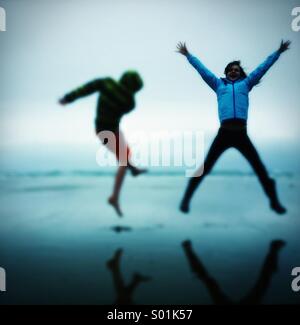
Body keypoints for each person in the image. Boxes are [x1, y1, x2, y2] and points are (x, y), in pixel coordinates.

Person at [176, 40, 291, 214]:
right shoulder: (218, 85)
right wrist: (188, 56)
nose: (233, 71)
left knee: (260, 169)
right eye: (230, 69)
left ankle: (274, 202)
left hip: (241, 134)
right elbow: (203, 71)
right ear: (226, 72)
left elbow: (262, 68)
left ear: (241, 73)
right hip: (224, 133)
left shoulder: (247, 84)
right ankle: (186, 200)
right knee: (204, 168)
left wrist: (278, 52)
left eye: (236, 69)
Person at [59, 71, 147, 217]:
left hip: (102, 129)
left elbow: (86, 89)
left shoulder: (106, 83)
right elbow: (125, 106)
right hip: (110, 131)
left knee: (125, 154)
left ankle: (134, 170)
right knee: (124, 160)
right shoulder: (130, 103)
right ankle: (114, 198)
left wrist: (68, 98)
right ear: (135, 89)